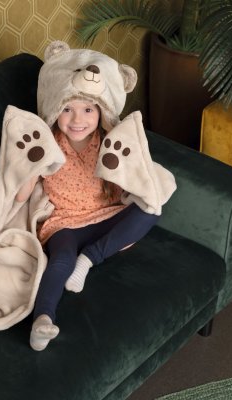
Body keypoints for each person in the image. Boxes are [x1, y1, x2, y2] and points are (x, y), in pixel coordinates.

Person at [15, 99, 160, 351]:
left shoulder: (109, 140)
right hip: (65, 223)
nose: (77, 120)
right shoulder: (48, 143)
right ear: (56, 111)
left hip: (107, 215)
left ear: (100, 112)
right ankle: (43, 319)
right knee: (61, 260)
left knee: (151, 209)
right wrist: (31, 164)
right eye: (67, 109)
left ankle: (89, 258)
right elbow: (20, 197)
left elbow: (137, 182)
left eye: (87, 110)